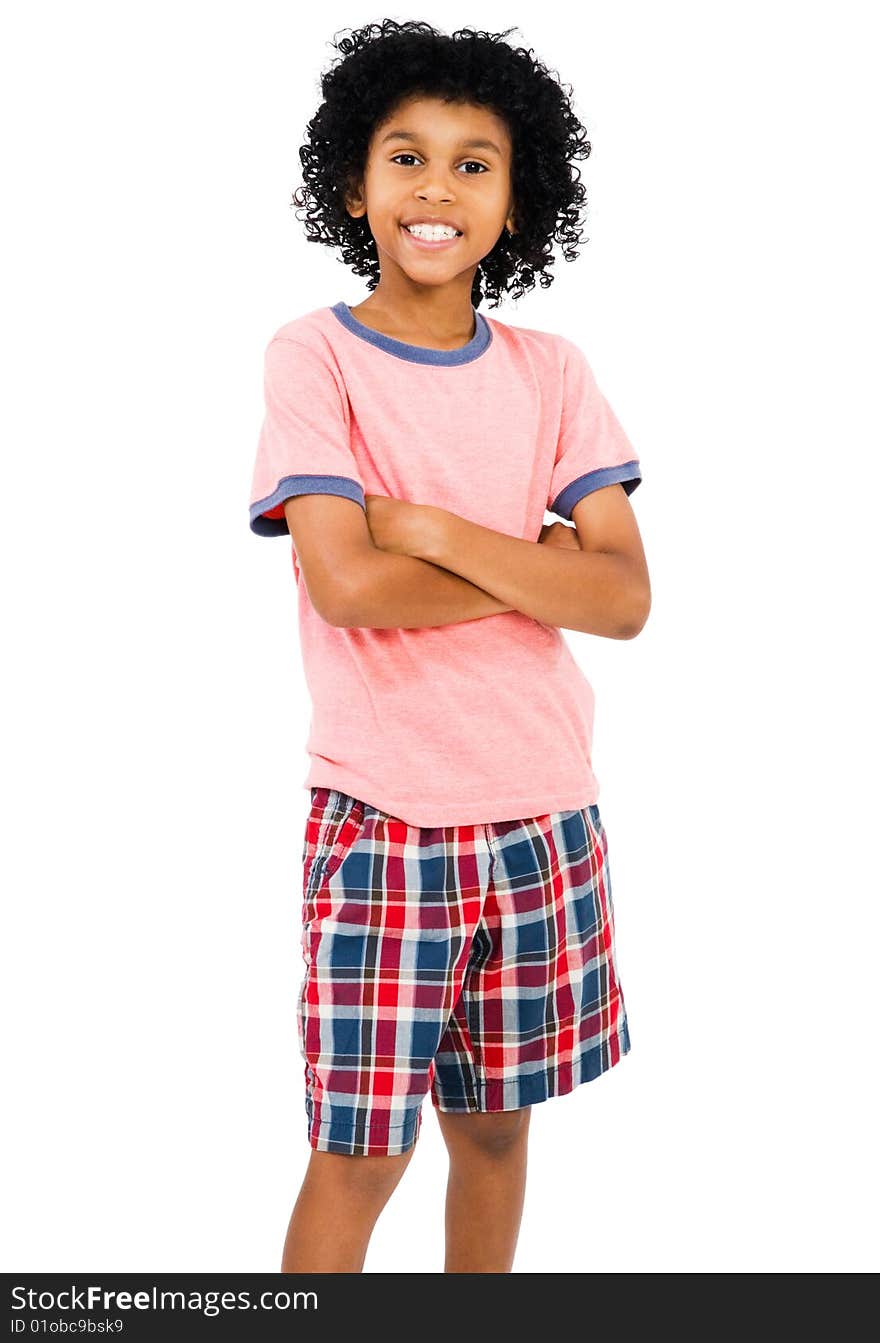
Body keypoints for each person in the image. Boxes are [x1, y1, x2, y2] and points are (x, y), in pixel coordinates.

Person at [248, 19, 651, 1274]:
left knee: (492, 1129)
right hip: (387, 820)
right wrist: (534, 567)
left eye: (476, 163)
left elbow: (626, 596)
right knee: (360, 1150)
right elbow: (350, 584)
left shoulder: (552, 370)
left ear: (520, 198)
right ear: (353, 183)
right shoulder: (313, 355)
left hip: (544, 815)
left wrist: (432, 528)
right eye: (406, 156)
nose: (437, 187)